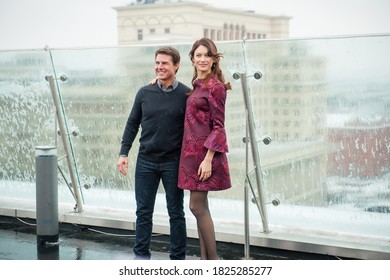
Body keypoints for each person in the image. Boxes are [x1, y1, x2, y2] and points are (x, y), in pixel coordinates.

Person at [117, 46, 191, 260]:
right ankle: (141, 259)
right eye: (157, 62)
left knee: (176, 214)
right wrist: (123, 153)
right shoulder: (144, 92)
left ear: (176, 65)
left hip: (173, 163)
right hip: (146, 161)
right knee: (143, 213)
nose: (160, 66)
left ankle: (178, 261)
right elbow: (132, 124)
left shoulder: (186, 95)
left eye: (165, 63)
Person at [178, 38, 232, 260]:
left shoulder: (216, 87)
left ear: (213, 59)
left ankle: (214, 261)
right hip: (191, 155)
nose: (202, 59)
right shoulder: (197, 85)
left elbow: (219, 128)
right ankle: (204, 261)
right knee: (201, 208)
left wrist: (209, 159)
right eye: (198, 55)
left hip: (204, 157)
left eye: (206, 55)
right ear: (192, 58)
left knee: (196, 207)